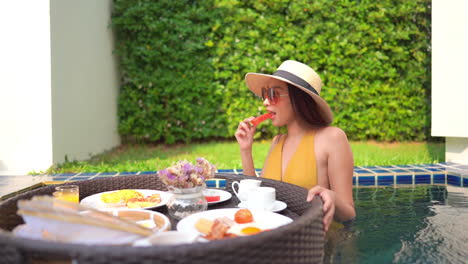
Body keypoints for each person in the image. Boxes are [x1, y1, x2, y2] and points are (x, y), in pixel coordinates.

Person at [235, 60, 355, 231]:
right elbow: (258, 197)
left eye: (273, 94)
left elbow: (349, 213)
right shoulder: (277, 142)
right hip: (278, 240)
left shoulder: (332, 138)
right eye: (264, 94)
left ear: (298, 98)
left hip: (315, 244)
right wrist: (246, 150)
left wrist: (331, 197)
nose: (265, 102)